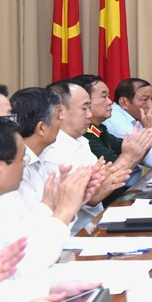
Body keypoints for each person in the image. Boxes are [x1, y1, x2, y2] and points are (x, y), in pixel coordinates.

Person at [0, 89, 94, 276]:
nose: (15, 122)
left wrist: (61, 204)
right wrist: (63, 211)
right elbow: (26, 263)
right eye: (8, 117)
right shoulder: (1, 191)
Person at [41, 81, 133, 233]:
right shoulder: (52, 152)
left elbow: (98, 190)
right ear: (60, 112)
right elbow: (90, 199)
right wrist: (129, 157)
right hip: (74, 236)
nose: (89, 115)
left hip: (96, 227)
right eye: (84, 108)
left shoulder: (81, 140)